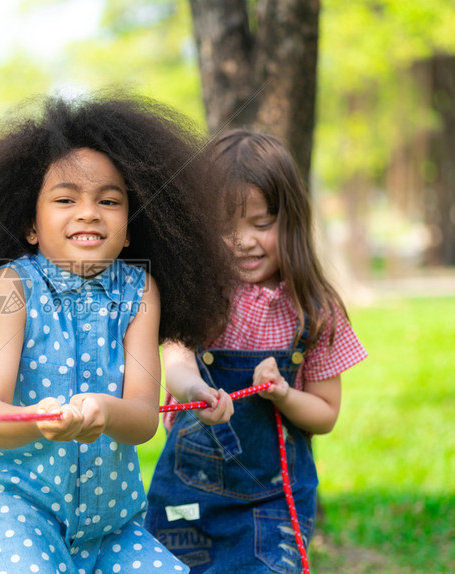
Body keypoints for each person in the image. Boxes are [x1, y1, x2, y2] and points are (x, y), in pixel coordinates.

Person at [0, 94, 236, 574]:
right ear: (31, 223)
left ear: (131, 228)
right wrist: (36, 417)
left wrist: (106, 411)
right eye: (66, 199)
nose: (89, 213)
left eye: (108, 201)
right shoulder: (13, 285)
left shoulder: (140, 290)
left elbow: (141, 419)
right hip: (8, 504)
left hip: (106, 521)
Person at [145, 130, 368, 573]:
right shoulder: (194, 297)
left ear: (292, 221)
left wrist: (283, 394)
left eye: (261, 224)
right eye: (226, 227)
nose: (244, 240)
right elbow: (176, 364)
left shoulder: (314, 311)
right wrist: (197, 391)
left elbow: (326, 413)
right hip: (187, 503)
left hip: (272, 505)